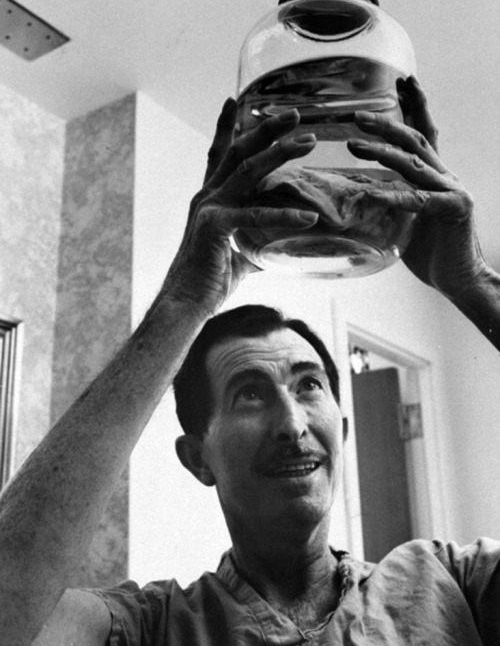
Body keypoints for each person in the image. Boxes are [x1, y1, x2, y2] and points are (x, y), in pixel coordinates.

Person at [1, 77, 499, 646]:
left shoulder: (455, 584)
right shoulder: (151, 627)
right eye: (250, 394)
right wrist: (184, 299)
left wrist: (474, 284)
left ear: (344, 428)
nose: (292, 425)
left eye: (309, 385)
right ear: (198, 457)